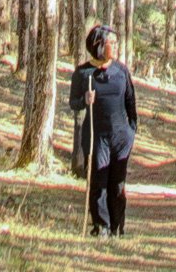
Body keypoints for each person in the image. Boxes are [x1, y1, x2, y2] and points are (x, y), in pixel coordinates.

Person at [68, 24, 137, 238]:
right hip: (96, 136)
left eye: (117, 43)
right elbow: (73, 103)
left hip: (120, 137)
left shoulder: (121, 71)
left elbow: (130, 103)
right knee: (99, 181)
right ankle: (101, 226)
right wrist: (84, 100)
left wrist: (131, 132)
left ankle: (118, 227)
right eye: (111, 43)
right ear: (98, 45)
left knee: (117, 185)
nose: (116, 47)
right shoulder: (83, 73)